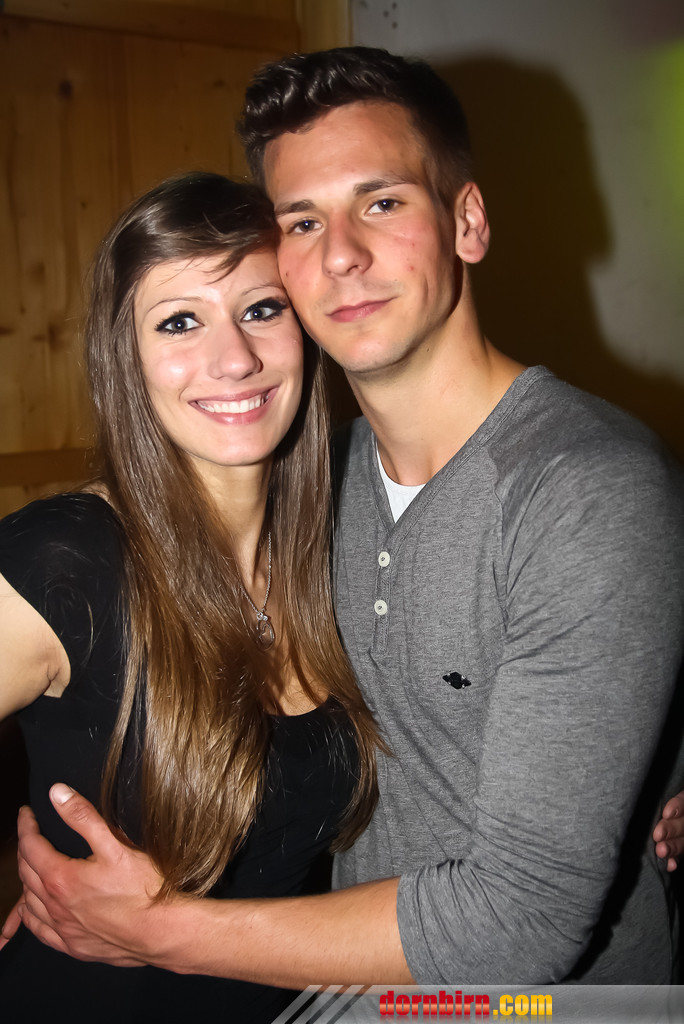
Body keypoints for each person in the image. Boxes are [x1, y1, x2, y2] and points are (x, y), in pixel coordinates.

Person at [5, 47, 684, 986]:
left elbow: (527, 919)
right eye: (302, 220)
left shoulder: (583, 486)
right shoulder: (317, 488)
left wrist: (157, 930)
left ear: (467, 221)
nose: (341, 255)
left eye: (383, 202)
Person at [0, 170, 381, 1022]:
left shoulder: (339, 544)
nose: (234, 358)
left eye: (262, 308)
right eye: (179, 321)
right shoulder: (65, 562)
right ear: (125, 358)